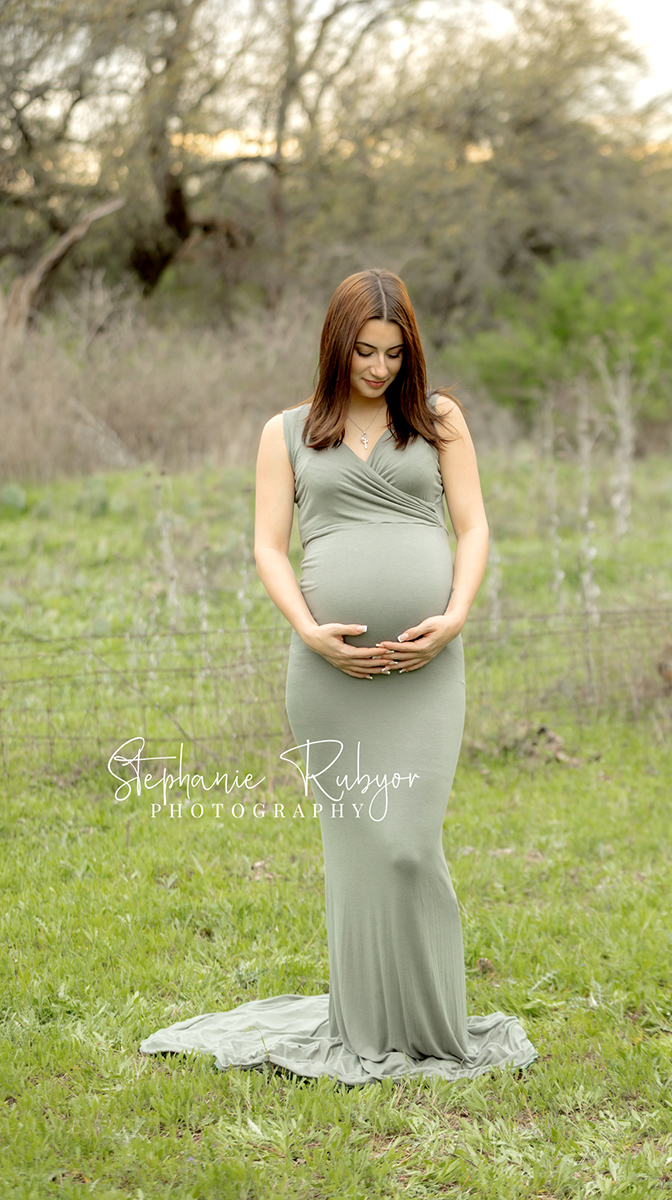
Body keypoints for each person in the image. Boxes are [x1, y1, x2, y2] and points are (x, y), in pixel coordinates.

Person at [139, 268, 537, 1084]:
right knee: (360, 853)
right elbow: (268, 546)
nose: (379, 367)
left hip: (427, 670)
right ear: (336, 345)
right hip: (328, 680)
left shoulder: (438, 420)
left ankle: (430, 1023)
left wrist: (454, 615)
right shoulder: (286, 431)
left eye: (394, 352)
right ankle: (365, 1023)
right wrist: (309, 632)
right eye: (364, 350)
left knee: (410, 847)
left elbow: (474, 524)